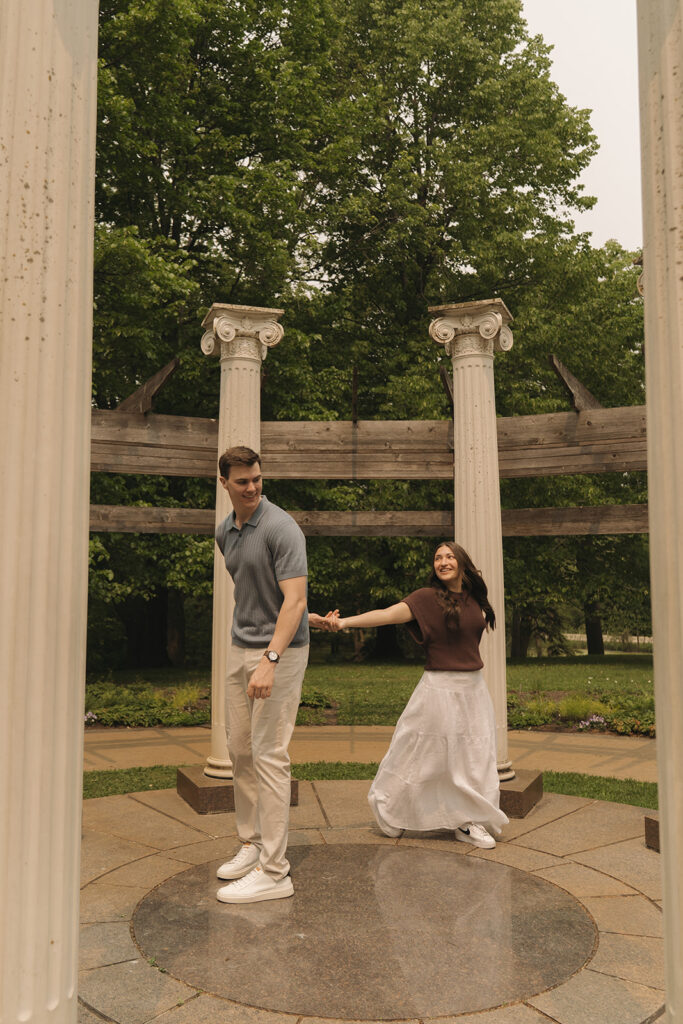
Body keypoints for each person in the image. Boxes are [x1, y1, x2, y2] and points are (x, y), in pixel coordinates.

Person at [327, 541, 508, 848]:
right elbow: (386, 615)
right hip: (438, 687)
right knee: (419, 753)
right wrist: (344, 622)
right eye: (438, 557)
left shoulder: (476, 597)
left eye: (450, 556)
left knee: (474, 757)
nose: (443, 561)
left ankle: (468, 820)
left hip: (473, 689)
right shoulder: (425, 598)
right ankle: (392, 811)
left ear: (462, 562)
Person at [213, 445, 329, 904]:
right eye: (242, 481)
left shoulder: (282, 528)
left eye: (257, 478)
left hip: (279, 653)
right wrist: (252, 651)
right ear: (225, 484)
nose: (252, 487)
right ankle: (254, 842)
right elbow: (254, 592)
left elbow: (294, 600)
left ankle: (276, 871)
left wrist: (271, 659)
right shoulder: (226, 532)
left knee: (269, 754)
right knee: (239, 751)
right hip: (242, 646)